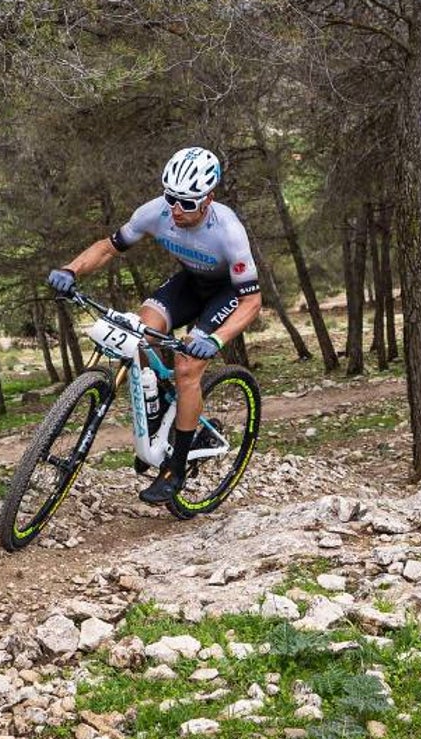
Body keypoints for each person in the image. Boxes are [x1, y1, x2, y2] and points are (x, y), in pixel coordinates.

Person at [46, 147, 261, 505]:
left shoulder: (229, 231)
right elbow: (107, 247)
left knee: (188, 366)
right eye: (171, 198)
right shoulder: (154, 212)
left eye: (187, 203)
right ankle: (164, 414)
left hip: (226, 295)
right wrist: (71, 269)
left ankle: (175, 469)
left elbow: (252, 301)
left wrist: (218, 340)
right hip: (189, 284)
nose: (176, 209)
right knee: (137, 336)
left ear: (208, 199)